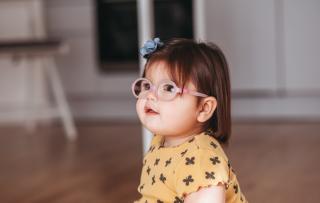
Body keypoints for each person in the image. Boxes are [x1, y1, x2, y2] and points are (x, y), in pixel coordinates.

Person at [132, 38, 247, 203]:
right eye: (147, 86)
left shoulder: (202, 160)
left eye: (169, 88)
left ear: (203, 108)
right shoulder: (161, 140)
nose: (150, 95)